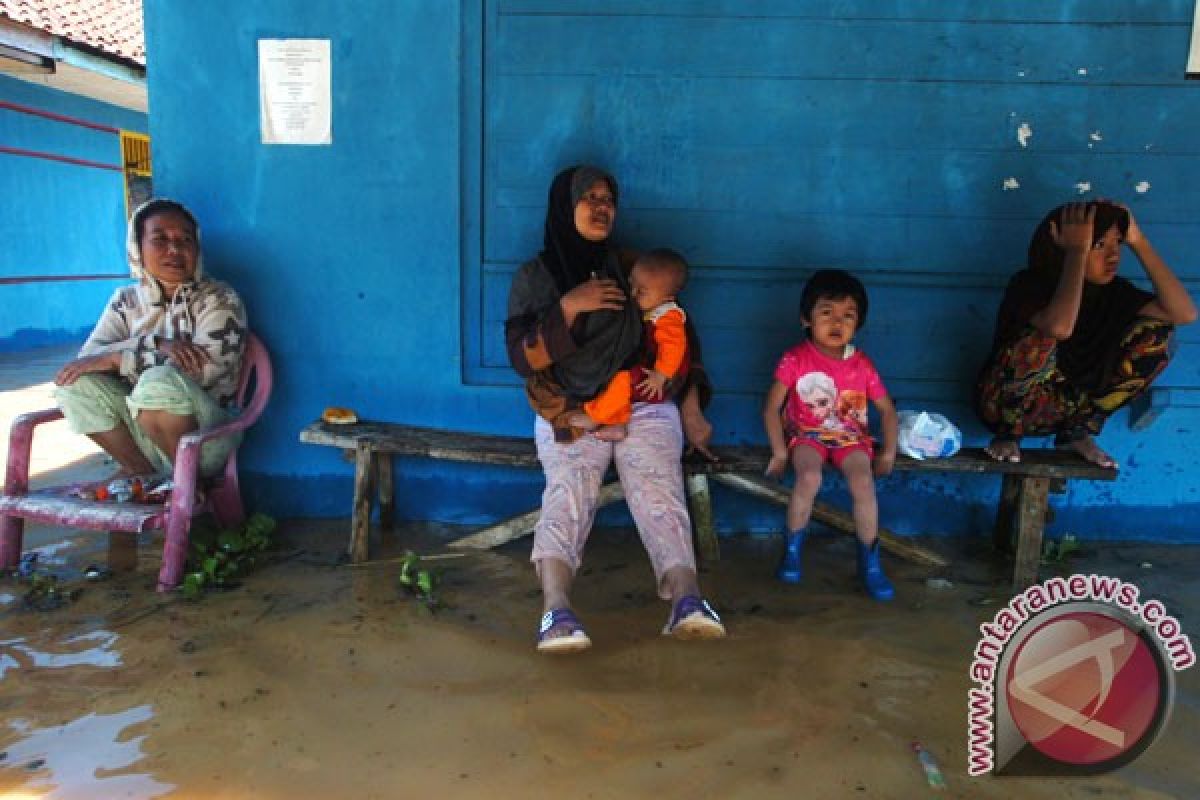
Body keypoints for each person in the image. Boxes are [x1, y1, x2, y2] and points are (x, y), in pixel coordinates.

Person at [505, 165, 725, 654]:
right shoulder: (534, 276)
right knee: (569, 492)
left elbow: (680, 338)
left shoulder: (630, 267)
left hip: (642, 404)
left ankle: (688, 601)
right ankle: (555, 611)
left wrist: (690, 406)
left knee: (659, 489)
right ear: (566, 206)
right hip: (570, 406)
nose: (602, 206)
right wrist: (567, 308)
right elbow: (521, 358)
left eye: (609, 198)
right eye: (590, 198)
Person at [975, 201, 1196, 468]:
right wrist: (1078, 252)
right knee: (1042, 335)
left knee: (1157, 334)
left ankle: (1077, 432)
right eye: (1100, 245)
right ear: (1063, 247)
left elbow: (1184, 314)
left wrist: (1139, 241)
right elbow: (1059, 328)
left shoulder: (1116, 293)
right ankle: (1008, 435)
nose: (1113, 255)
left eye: (1118, 243)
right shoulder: (1029, 284)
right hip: (1002, 407)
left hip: (1067, 411)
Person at [54, 198, 248, 482]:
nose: (175, 249)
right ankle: (142, 475)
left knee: (158, 384)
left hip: (205, 437)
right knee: (74, 385)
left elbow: (204, 368)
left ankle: (186, 485)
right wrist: (152, 343)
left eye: (185, 240)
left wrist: (119, 359)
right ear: (137, 249)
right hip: (139, 437)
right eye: (160, 239)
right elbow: (90, 359)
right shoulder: (125, 301)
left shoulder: (219, 299)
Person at [762, 269, 899, 601]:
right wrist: (780, 452)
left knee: (863, 483)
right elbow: (771, 408)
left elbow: (887, 410)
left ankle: (870, 564)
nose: (837, 323)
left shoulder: (862, 365)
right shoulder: (795, 359)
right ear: (805, 319)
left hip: (851, 440)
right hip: (806, 436)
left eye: (847, 316)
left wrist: (889, 452)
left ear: (858, 324)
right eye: (827, 313)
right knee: (808, 477)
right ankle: (792, 551)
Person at [563, 248, 691, 442]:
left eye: (643, 292)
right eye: (632, 283)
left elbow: (675, 347)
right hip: (650, 370)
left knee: (622, 379)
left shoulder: (668, 317)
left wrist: (661, 375)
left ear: (667, 298)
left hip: (660, 380)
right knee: (618, 379)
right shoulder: (649, 306)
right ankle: (618, 425)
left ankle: (597, 417)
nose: (633, 293)